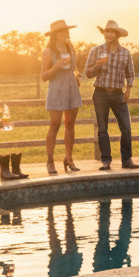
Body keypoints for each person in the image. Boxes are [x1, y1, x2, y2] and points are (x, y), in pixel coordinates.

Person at [85, 20, 139, 171]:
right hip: (101, 93)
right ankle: (106, 161)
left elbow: (130, 74)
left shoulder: (125, 53)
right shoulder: (95, 51)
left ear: (117, 35)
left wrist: (128, 91)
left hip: (118, 94)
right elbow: (87, 73)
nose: (108, 34)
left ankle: (127, 160)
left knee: (126, 128)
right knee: (102, 129)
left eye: (111, 32)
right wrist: (97, 66)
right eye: (106, 31)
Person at [41, 19, 83, 175]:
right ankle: (50, 161)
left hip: (71, 88)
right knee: (55, 125)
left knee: (70, 124)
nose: (66, 33)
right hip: (56, 90)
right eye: (63, 31)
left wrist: (76, 76)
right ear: (55, 34)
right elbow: (44, 76)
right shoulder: (47, 52)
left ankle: (68, 159)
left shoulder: (70, 48)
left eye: (67, 30)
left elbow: (74, 68)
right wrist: (56, 66)